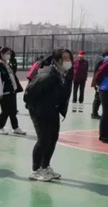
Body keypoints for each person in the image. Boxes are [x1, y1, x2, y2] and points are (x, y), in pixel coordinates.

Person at [23, 49, 73, 181]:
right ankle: (35, 170)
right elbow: (30, 92)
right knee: (43, 139)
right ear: (57, 60)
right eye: (64, 58)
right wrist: (34, 107)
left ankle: (45, 167)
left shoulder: (63, 74)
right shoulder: (48, 75)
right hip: (40, 111)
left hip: (52, 109)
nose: (68, 61)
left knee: (53, 138)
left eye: (69, 58)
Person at [0, 47, 26, 136]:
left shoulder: (6, 64)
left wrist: (15, 88)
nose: (8, 55)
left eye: (9, 53)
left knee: (13, 111)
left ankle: (15, 127)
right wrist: (0, 93)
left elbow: (12, 77)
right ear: (1, 54)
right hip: (4, 92)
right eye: (7, 53)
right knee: (5, 111)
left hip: (11, 91)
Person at [90, 49, 108, 143]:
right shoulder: (106, 61)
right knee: (106, 112)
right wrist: (98, 83)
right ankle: (104, 136)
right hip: (105, 89)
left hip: (104, 87)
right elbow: (99, 73)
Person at [91, 55, 105, 120]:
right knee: (98, 98)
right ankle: (94, 113)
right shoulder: (102, 60)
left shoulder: (101, 59)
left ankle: (94, 113)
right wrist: (97, 83)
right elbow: (98, 72)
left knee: (98, 98)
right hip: (100, 82)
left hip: (100, 82)